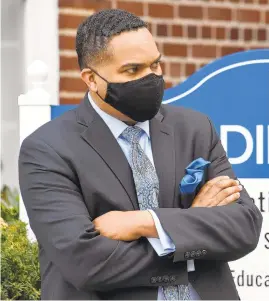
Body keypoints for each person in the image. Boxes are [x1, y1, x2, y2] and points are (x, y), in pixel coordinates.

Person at [19, 9, 263, 300]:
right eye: (133, 70)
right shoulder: (48, 149)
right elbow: (86, 262)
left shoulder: (195, 129)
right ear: (91, 79)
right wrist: (191, 230)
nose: (151, 78)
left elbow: (244, 227)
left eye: (155, 65)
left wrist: (145, 222)